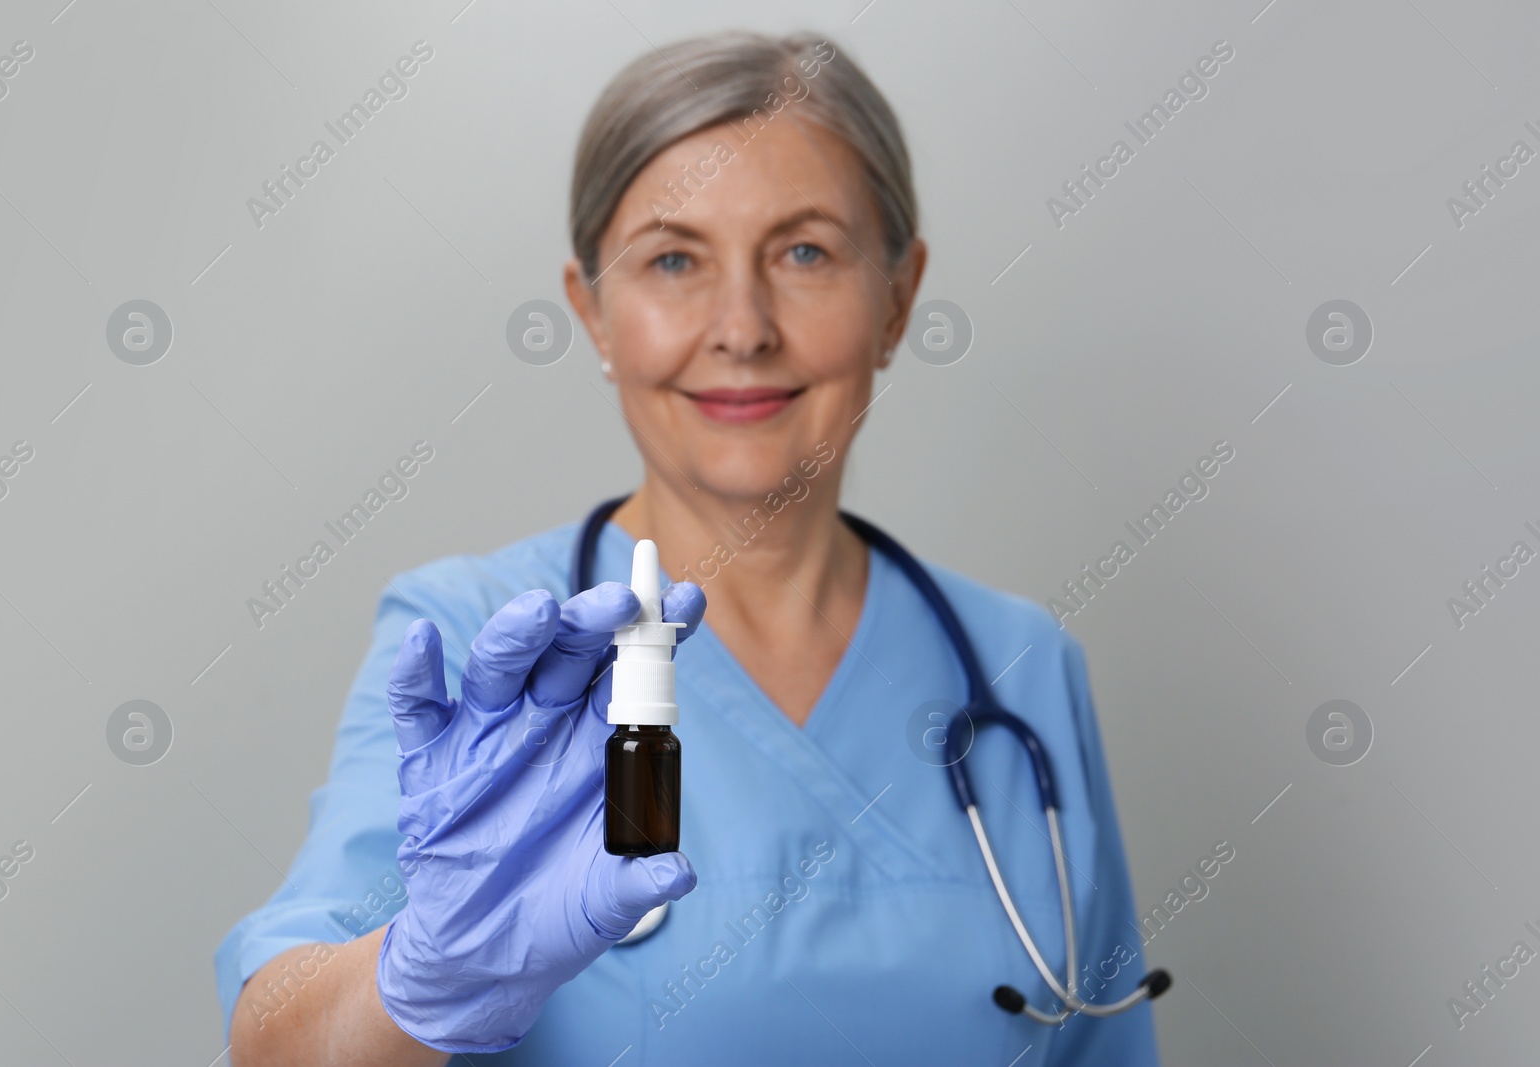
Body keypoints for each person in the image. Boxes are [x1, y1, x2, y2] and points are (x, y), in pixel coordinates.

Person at [215, 30, 1161, 1066]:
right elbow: (280, 1047)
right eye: (673, 260)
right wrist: (424, 975)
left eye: (805, 252)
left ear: (896, 296)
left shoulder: (1023, 664)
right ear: (595, 313)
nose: (741, 326)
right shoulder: (473, 637)